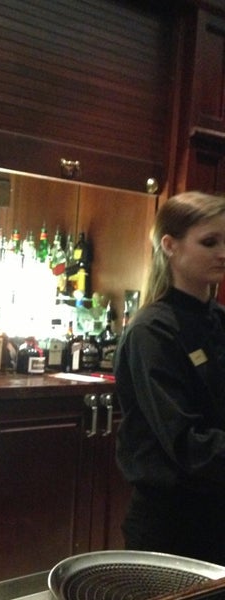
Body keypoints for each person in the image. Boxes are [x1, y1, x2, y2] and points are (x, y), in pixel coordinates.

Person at [114, 190, 225, 565]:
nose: (222, 252)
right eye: (210, 242)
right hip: (171, 524)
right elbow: (184, 442)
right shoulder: (153, 331)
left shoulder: (218, 320)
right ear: (170, 245)